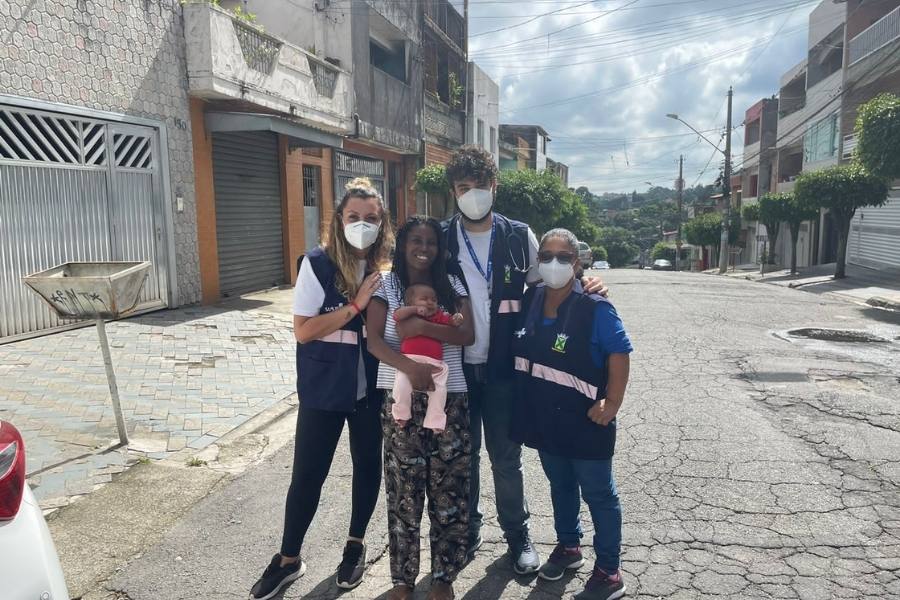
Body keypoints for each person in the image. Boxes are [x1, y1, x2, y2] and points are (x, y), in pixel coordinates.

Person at [436, 146, 607, 575]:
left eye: (479, 186)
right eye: (463, 188)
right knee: (464, 456)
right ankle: (469, 528)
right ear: (453, 192)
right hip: (456, 367)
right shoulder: (442, 238)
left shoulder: (518, 235)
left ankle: (517, 535)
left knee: (505, 458)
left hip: (503, 369)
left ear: (494, 187)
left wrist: (586, 281)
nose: (472, 194)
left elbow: (550, 283)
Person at [249, 178, 393, 600]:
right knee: (308, 474)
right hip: (323, 387)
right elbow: (304, 330)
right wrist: (355, 306)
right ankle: (288, 559)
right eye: (354, 217)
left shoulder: (388, 269)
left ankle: (355, 545)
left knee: (368, 467)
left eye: (370, 218)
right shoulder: (317, 264)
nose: (361, 225)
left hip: (371, 390)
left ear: (382, 223)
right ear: (340, 219)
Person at [510, 228, 632, 600]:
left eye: (563, 257)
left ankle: (609, 571)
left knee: (598, 494)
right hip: (547, 418)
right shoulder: (531, 299)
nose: (553, 263)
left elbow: (619, 353)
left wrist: (611, 404)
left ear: (577, 264)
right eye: (546, 255)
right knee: (560, 486)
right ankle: (569, 547)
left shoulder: (595, 306)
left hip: (588, 421)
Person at [367, 216, 476, 600]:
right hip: (400, 397)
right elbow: (375, 341)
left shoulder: (452, 285)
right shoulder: (388, 284)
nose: (424, 248)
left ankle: (444, 576)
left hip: (451, 398)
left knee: (450, 487)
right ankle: (402, 579)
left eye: (431, 241)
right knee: (403, 490)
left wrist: (421, 329)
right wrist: (408, 366)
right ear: (403, 244)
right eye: (416, 240)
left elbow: (466, 334)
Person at [391, 283, 464, 431]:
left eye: (434, 300)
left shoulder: (437, 316)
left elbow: (450, 321)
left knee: (440, 391)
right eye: (424, 299)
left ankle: (435, 420)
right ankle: (401, 414)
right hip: (409, 361)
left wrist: (455, 319)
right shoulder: (407, 314)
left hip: (435, 363)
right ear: (410, 303)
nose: (430, 302)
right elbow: (396, 315)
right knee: (401, 387)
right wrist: (414, 310)